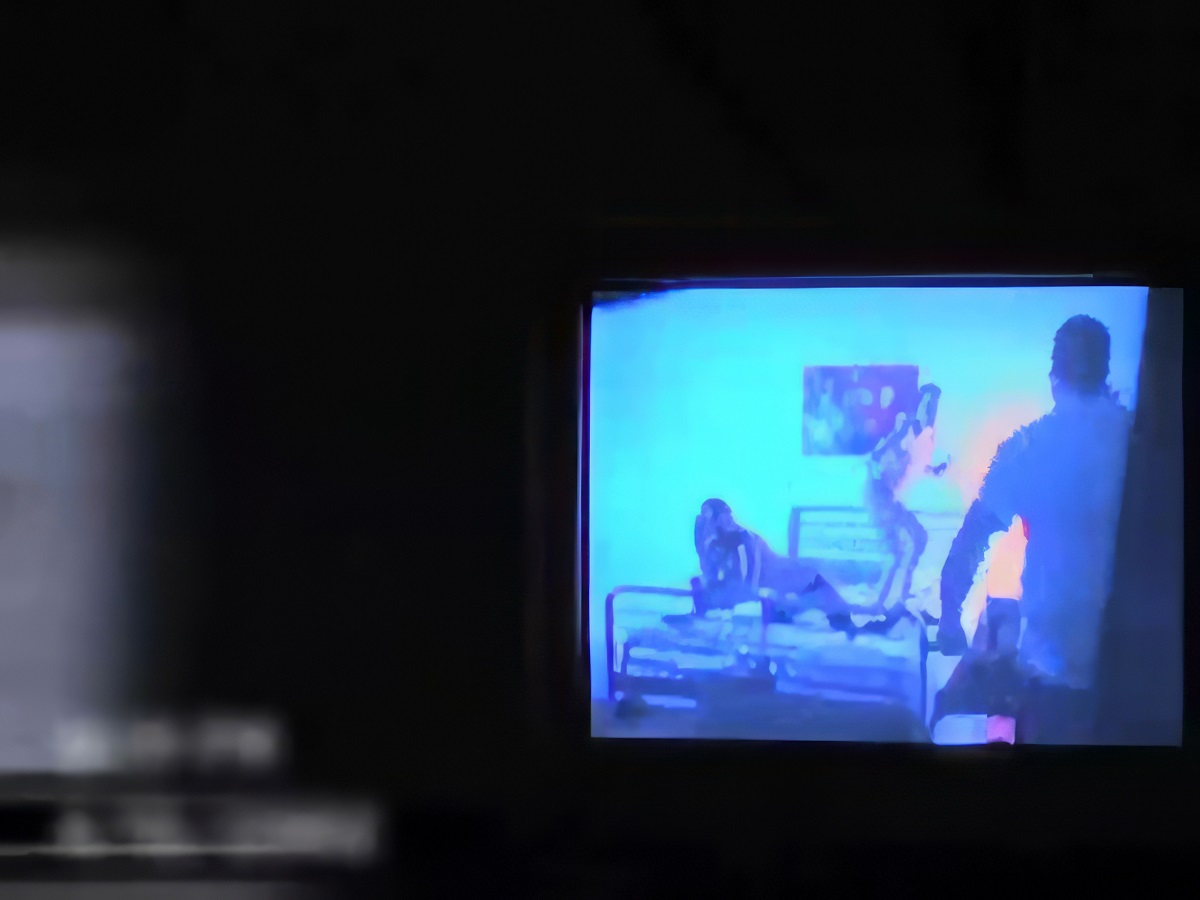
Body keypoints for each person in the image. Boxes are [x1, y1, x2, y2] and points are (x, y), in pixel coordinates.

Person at [936, 315, 1132, 744]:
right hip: (1134, 674)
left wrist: (950, 618)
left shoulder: (1030, 447)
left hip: (1053, 668)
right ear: (1104, 370)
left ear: (1054, 374)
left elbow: (971, 539)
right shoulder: (1142, 440)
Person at [692, 498, 888, 637]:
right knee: (823, 597)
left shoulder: (744, 538)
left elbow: (751, 574)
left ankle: (859, 621)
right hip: (786, 579)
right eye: (722, 518)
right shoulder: (719, 542)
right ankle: (855, 621)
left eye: (729, 517)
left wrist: (747, 596)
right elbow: (715, 571)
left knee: (828, 595)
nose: (729, 521)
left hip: (792, 575)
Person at [864, 383, 946, 615]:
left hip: (890, 501)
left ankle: (899, 595)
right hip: (883, 501)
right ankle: (882, 602)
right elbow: (880, 460)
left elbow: (915, 464)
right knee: (897, 551)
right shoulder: (898, 437)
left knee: (918, 538)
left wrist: (935, 470)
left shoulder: (912, 441)